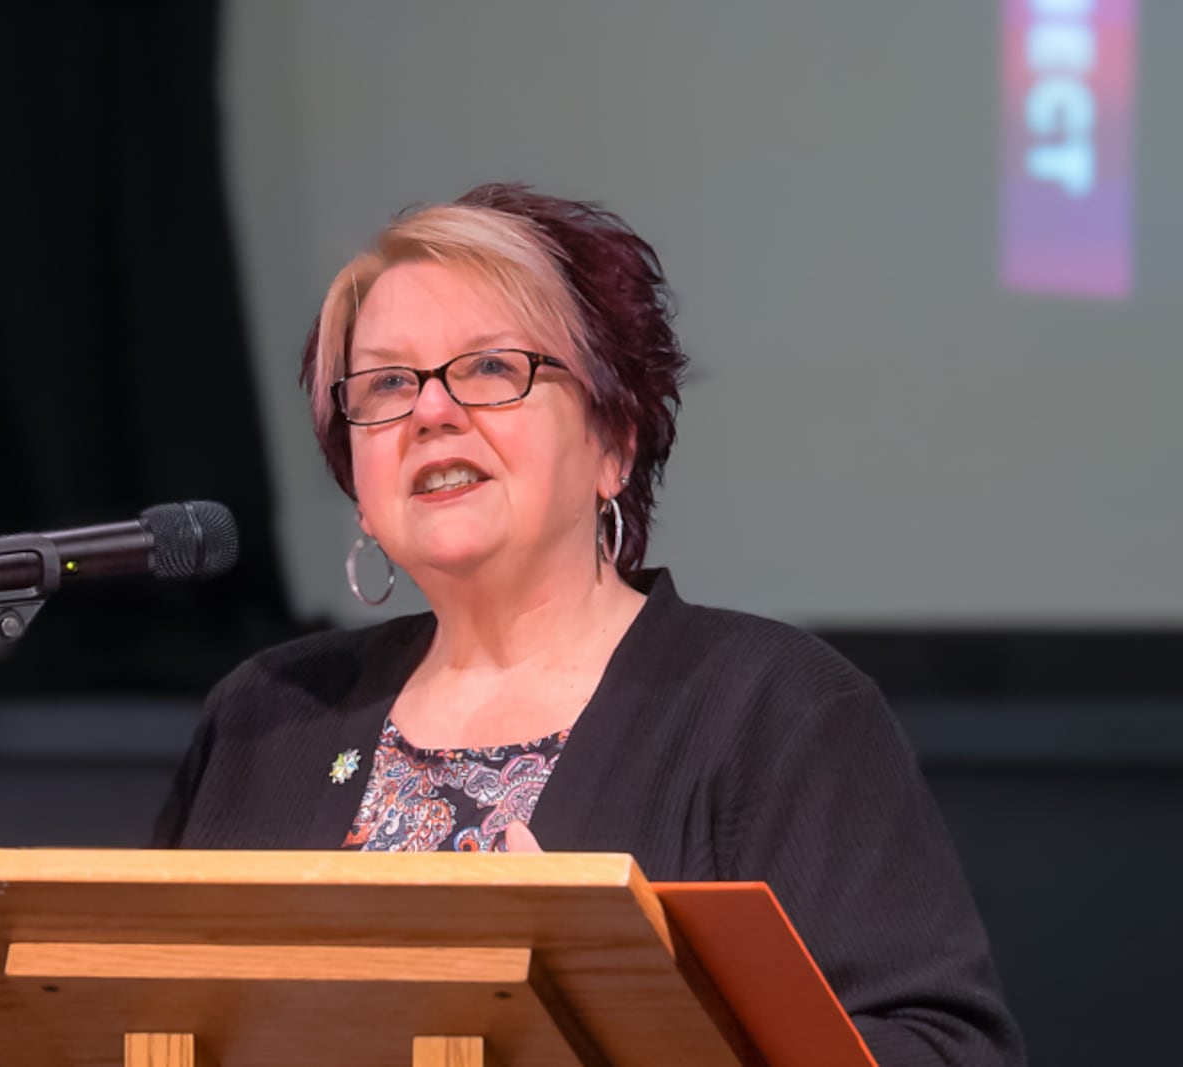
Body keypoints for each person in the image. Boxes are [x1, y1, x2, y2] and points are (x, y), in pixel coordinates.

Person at [154, 183, 1024, 1065]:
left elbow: (944, 1048)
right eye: (386, 383)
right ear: (361, 488)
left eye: (491, 368)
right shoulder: (266, 717)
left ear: (614, 443)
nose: (430, 410)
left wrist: (623, 1012)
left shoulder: (777, 709)